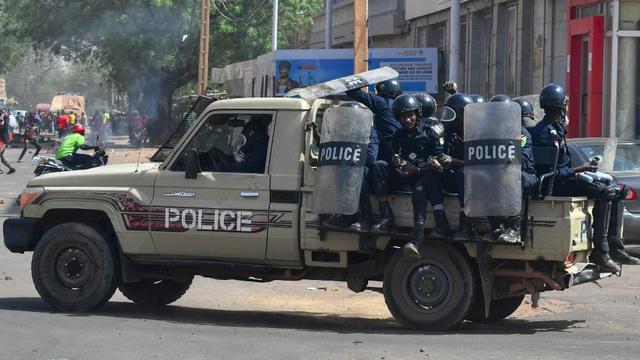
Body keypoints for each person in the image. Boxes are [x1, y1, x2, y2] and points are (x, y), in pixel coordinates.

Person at [530, 83, 638, 272]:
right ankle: (600, 252)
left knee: (618, 190)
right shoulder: (544, 132)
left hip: (563, 179)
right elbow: (548, 175)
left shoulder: (556, 128)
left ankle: (615, 247)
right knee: (605, 192)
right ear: (560, 106)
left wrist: (583, 171)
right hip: (555, 185)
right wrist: (580, 169)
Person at [390, 93, 450, 257]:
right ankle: (441, 222)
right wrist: (399, 163)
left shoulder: (430, 132)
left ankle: (417, 236)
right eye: (402, 117)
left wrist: (421, 168)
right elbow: (395, 156)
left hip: (432, 176)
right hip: (410, 178)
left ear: (417, 114)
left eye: (410, 115)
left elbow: (440, 160)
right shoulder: (399, 136)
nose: (407, 120)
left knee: (421, 188)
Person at [346, 79, 403, 233]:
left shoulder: (381, 103)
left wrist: (361, 80)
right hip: (398, 167)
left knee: (362, 171)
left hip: (391, 164)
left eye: (377, 91)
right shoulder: (403, 107)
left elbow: (352, 92)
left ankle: (367, 217)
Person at [481, 95, 538, 243]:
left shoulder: (520, 133)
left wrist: (509, 155)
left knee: (510, 174)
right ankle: (497, 227)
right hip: (500, 175)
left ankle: (514, 228)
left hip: (525, 175)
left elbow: (524, 161)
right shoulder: (489, 134)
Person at [440, 93, 474, 240]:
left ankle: (465, 223)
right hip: (454, 178)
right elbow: (443, 152)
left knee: (463, 173)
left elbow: (480, 164)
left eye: (451, 113)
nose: (447, 117)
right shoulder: (450, 133)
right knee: (430, 175)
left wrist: (454, 162)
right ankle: (439, 221)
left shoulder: (478, 133)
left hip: (475, 181)